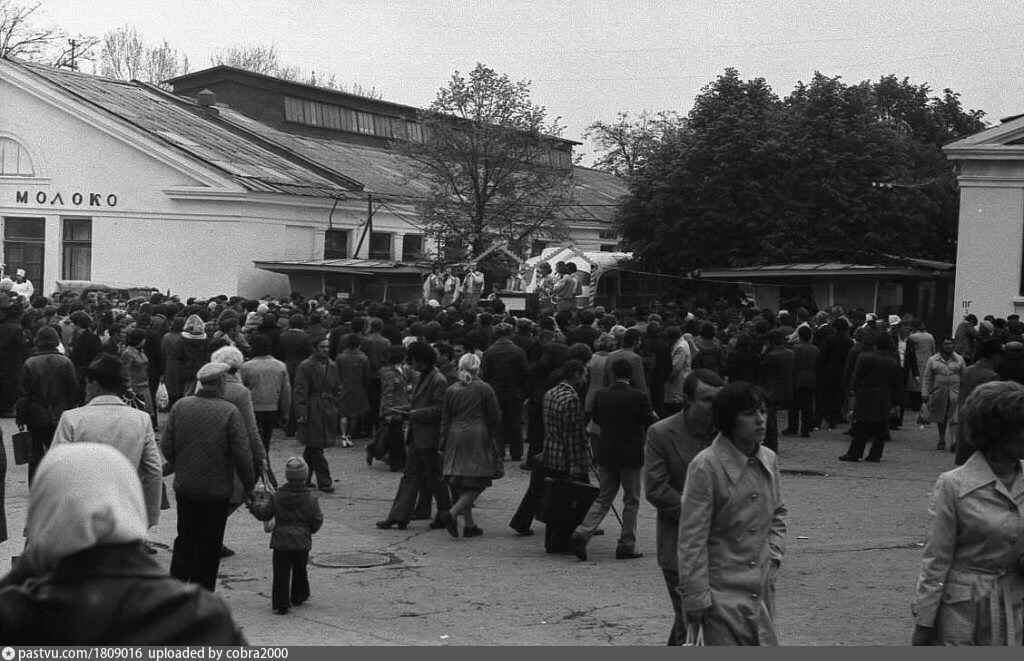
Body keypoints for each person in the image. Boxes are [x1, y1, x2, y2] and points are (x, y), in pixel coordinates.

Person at [0, 443, 247, 644]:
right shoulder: (202, 617)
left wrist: (33, 558)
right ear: (132, 504)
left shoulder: (18, 616)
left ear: (41, 513)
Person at [911, 381, 1024, 646]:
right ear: (1000, 432)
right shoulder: (953, 485)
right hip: (963, 612)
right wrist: (925, 621)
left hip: (1017, 608)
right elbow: (936, 559)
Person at [678, 381, 787, 646]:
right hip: (719, 593)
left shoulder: (768, 458)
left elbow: (779, 511)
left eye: (762, 411)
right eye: (749, 414)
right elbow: (692, 538)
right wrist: (696, 596)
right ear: (729, 420)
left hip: (759, 589)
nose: (760, 420)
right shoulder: (706, 466)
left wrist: (773, 554)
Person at [644, 369, 724, 646]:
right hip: (678, 546)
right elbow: (656, 489)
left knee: (708, 622)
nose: (714, 406)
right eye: (706, 399)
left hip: (724, 549)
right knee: (690, 617)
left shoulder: (731, 432)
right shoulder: (661, 433)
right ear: (687, 400)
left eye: (719, 399)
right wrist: (701, 515)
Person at [161, 362, 255, 592]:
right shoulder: (229, 412)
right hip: (216, 489)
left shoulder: (181, 406)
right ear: (221, 383)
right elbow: (242, 454)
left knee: (185, 538)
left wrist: (182, 463)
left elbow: (166, 445)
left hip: (186, 487)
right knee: (210, 544)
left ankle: (176, 593)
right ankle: (202, 596)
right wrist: (249, 484)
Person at [51, 353, 163, 529]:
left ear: (95, 384)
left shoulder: (72, 419)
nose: (85, 388)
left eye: (87, 383)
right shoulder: (141, 419)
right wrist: (148, 517)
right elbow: (154, 471)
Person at [569, 358, 657, 561]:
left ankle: (583, 532)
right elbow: (650, 421)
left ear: (613, 374)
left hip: (607, 451)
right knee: (631, 500)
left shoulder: (601, 395)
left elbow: (597, 420)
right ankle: (626, 544)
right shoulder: (638, 396)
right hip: (630, 453)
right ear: (631, 375)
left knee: (604, 497)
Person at [509, 359, 590, 551]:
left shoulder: (551, 393)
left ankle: (555, 539)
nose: (586, 378)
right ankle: (561, 540)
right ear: (576, 374)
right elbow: (572, 434)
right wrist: (578, 463)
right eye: (584, 374)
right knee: (566, 501)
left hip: (550, 450)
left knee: (553, 498)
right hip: (564, 455)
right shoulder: (571, 399)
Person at [376, 341, 452, 530]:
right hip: (418, 435)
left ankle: (445, 514)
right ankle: (399, 516)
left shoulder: (438, 380)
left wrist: (412, 414)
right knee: (410, 476)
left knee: (435, 479)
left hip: (429, 437)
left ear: (422, 361)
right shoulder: (423, 376)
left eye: (414, 361)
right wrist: (402, 409)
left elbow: (440, 410)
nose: (411, 364)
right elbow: (420, 404)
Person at [247, 456, 324, 615]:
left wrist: (253, 505)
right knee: (300, 568)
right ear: (305, 475)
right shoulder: (310, 497)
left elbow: (265, 514)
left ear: (287, 475)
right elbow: (317, 519)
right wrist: (309, 531)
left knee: (280, 572)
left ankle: (281, 602)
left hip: (281, 540)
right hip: (301, 541)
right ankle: (299, 595)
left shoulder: (278, 496)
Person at [438, 353, 502, 538]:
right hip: (477, 432)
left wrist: (442, 440)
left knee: (461, 478)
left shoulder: (452, 389)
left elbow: (445, 417)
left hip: (455, 433)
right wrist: (489, 433)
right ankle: (453, 513)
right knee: (480, 478)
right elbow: (494, 416)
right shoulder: (484, 388)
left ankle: (469, 524)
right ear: (478, 368)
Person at [16, 327, 78, 484]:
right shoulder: (66, 362)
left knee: (35, 454)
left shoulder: (30, 363)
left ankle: (35, 487)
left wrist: (21, 418)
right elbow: (72, 390)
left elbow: (24, 395)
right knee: (59, 452)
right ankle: (59, 485)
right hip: (60, 414)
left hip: (35, 415)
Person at [838, 333, 903, 463]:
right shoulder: (892, 361)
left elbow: (857, 376)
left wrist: (853, 389)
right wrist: (895, 402)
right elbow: (897, 382)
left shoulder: (864, 357)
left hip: (866, 394)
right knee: (880, 427)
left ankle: (855, 452)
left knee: (861, 425)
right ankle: (875, 454)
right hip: (884, 395)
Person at [293, 339, 342, 493]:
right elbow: (300, 390)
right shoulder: (306, 366)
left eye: (328, 346)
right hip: (312, 407)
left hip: (328, 407)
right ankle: (324, 481)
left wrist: (335, 404)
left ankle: (302, 478)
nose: (326, 349)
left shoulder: (333, 365)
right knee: (316, 446)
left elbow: (337, 387)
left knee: (313, 446)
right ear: (314, 348)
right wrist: (301, 412)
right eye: (322, 347)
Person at [240, 334, 292, 478]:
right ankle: (264, 472)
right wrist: (286, 413)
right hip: (272, 408)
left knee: (256, 442)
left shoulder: (246, 367)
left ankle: (262, 473)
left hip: (253, 408)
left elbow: (242, 390)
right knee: (265, 442)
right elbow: (286, 391)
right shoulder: (280, 366)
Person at [481, 321, 528, 463]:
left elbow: (486, 374)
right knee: (515, 423)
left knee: (497, 423)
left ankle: (499, 452)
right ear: (510, 333)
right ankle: (516, 452)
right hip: (514, 391)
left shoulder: (489, 352)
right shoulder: (518, 351)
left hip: (496, 391)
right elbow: (525, 372)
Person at [922, 338, 966, 452]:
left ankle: (954, 441)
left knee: (955, 418)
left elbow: (964, 377)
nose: (947, 346)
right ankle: (941, 440)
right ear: (941, 345)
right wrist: (925, 393)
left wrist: (964, 393)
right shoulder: (933, 360)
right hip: (939, 392)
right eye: (945, 344)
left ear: (953, 345)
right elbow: (927, 377)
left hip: (955, 392)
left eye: (950, 344)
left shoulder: (959, 360)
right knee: (941, 418)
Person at [335, 332, 371, 447]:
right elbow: (366, 377)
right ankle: (349, 435)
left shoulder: (340, 358)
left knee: (343, 413)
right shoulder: (364, 358)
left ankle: (343, 435)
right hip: (358, 388)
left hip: (342, 387)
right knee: (354, 414)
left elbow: (335, 374)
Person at [785, 325, 819, 437]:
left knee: (794, 405)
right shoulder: (815, 349)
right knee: (808, 406)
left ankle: (792, 427)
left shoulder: (795, 348)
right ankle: (805, 429)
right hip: (811, 379)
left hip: (796, 379)